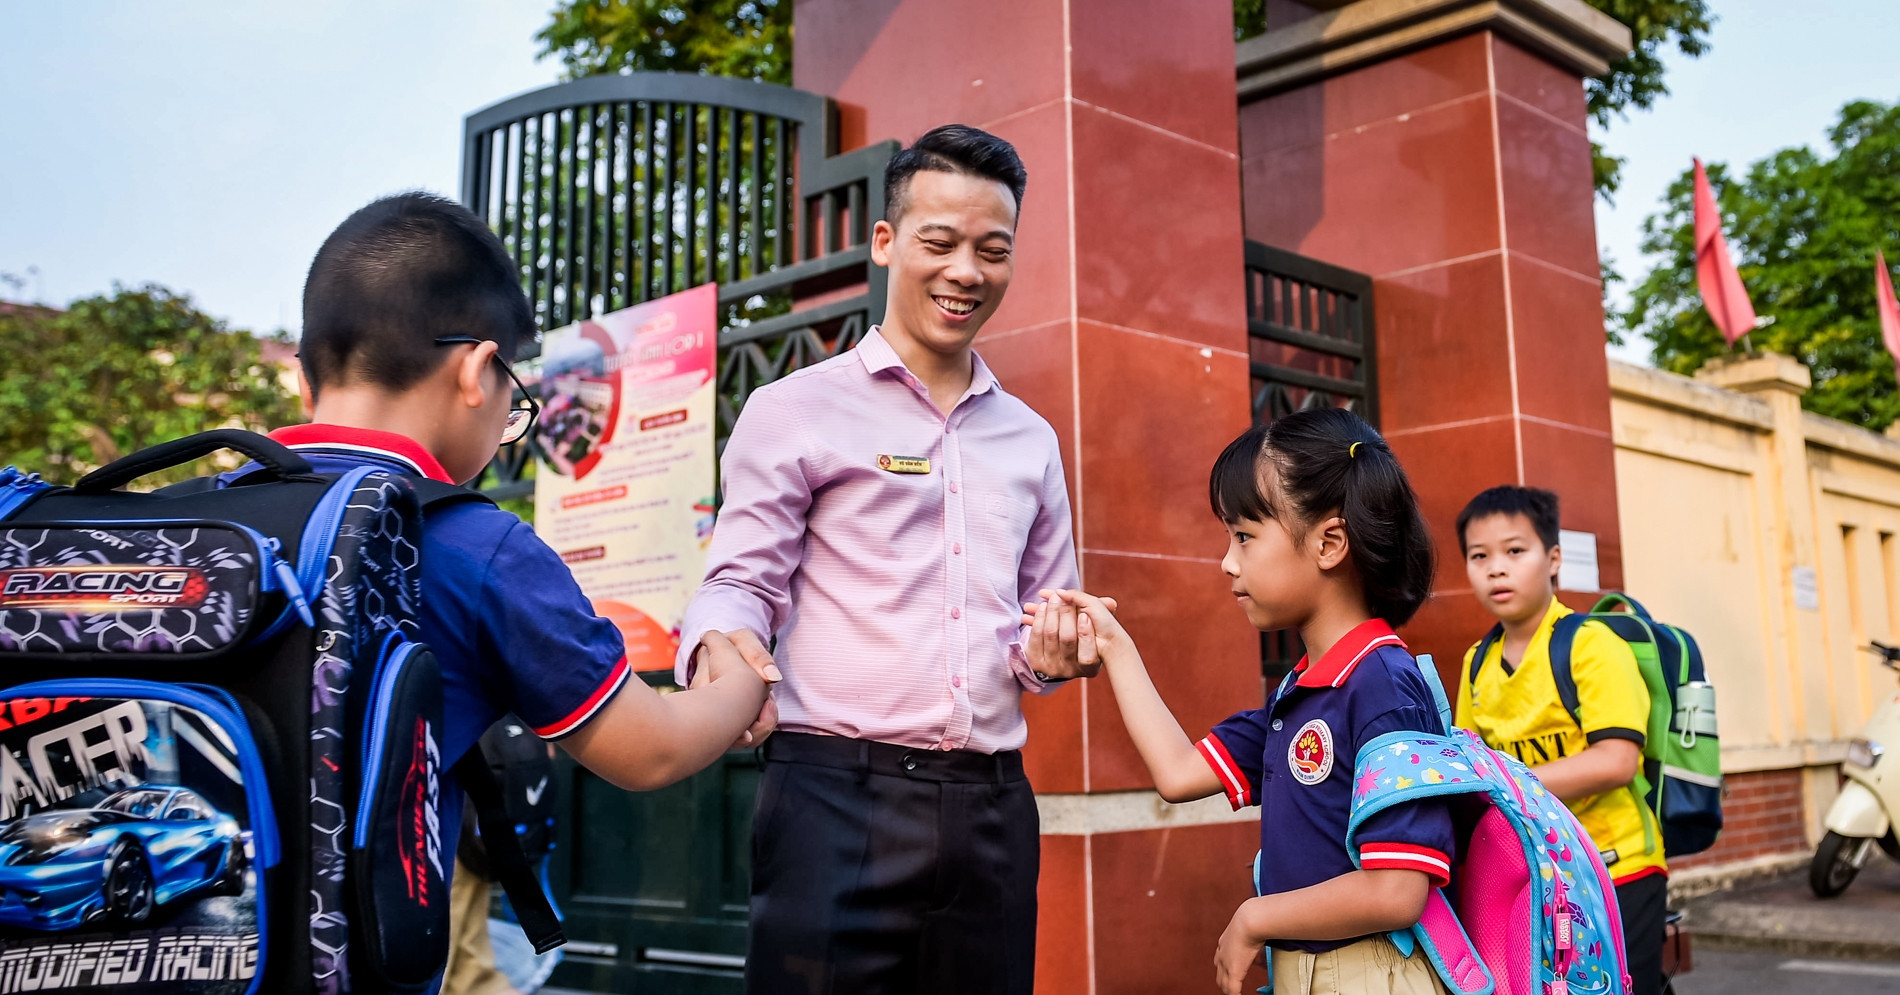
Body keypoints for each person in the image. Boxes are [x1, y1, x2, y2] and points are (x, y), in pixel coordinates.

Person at [230, 192, 777, 991]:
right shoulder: (471, 543)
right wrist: (736, 678)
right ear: (477, 371)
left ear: (307, 382)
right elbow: (650, 746)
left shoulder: (209, 516)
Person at [676, 124, 1094, 995]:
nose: (966, 272)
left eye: (993, 250)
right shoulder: (794, 410)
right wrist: (720, 645)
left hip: (990, 809)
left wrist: (1054, 650)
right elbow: (739, 580)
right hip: (832, 798)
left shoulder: (1032, 440)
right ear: (885, 243)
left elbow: (1040, 617)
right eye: (939, 243)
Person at [1058, 409, 1454, 995]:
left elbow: (1397, 889)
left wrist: (1256, 916)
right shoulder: (1302, 691)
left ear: (1330, 543)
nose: (1227, 561)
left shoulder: (1382, 684)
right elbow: (1178, 773)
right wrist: (1116, 647)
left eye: (1244, 535)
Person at [1453, 486, 1664, 995]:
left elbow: (1616, 761)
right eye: (1479, 556)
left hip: (1618, 867)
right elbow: (1467, 766)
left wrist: (1511, 784)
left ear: (1553, 560)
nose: (1496, 569)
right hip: (1535, 877)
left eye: (1514, 551)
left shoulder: (1592, 646)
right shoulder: (1476, 664)